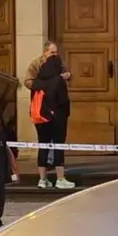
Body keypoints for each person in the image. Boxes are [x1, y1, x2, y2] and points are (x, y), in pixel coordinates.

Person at [30, 54, 76, 190]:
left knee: (43, 146)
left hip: (40, 119)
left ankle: (43, 179)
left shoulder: (37, 81)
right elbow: (62, 101)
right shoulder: (58, 81)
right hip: (57, 119)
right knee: (58, 146)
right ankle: (60, 178)